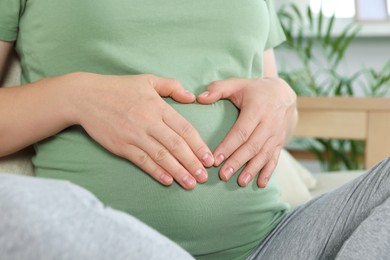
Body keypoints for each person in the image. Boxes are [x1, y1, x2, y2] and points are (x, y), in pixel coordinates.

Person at [1, 0, 390, 259]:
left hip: (272, 242)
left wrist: (280, 98)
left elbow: (277, 115)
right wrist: (75, 96)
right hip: (117, 243)